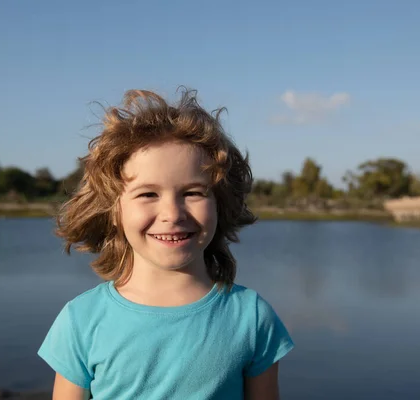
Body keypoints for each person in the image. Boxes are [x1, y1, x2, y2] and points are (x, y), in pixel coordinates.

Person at [38, 88, 294, 400]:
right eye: (148, 194)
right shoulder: (81, 319)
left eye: (193, 193)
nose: (172, 214)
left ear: (220, 204)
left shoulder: (252, 318)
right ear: (114, 210)